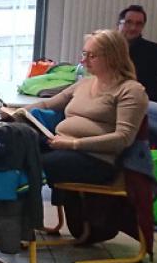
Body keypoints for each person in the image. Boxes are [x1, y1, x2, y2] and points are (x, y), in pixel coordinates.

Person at [8, 29, 148, 187]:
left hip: (95, 158)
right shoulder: (85, 83)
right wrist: (13, 114)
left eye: (92, 56)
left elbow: (123, 138)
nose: (83, 60)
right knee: (11, 148)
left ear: (112, 57)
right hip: (61, 145)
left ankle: (17, 200)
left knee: (30, 165)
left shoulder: (131, 90)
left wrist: (74, 143)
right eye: (84, 54)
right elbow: (47, 104)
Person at [116, 5, 157, 105]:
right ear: (118, 24)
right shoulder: (106, 49)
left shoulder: (155, 51)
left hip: (144, 104)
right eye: (128, 22)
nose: (133, 28)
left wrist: (145, 97)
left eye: (139, 24)